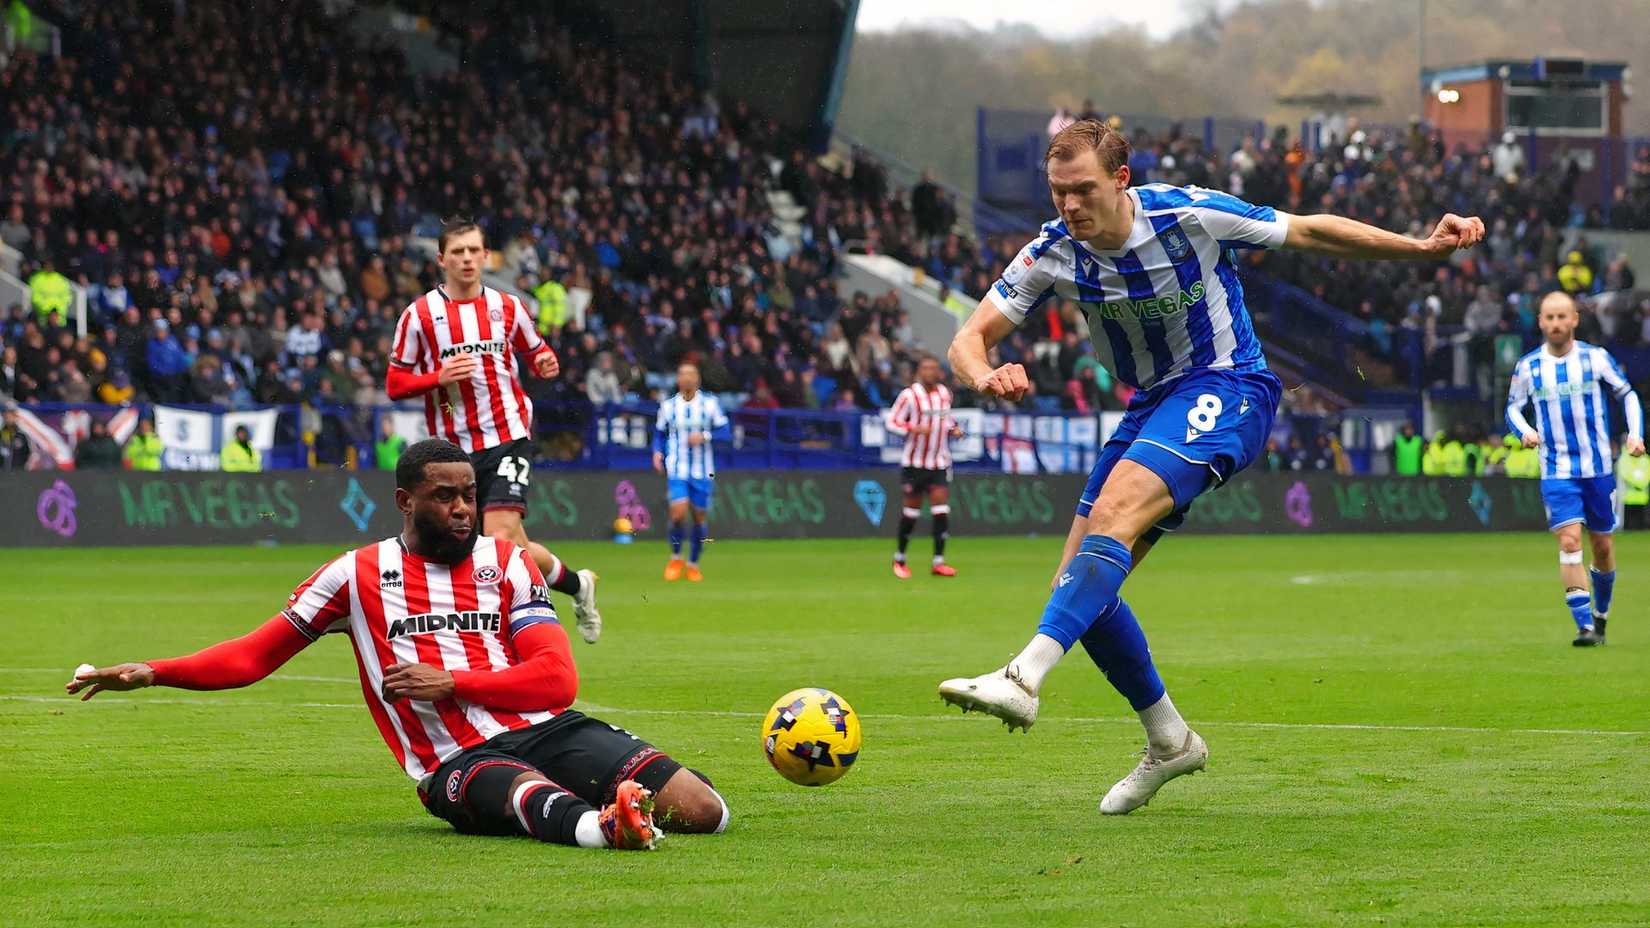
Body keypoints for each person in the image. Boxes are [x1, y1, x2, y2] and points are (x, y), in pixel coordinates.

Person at [936, 118, 1485, 814]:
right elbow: (969, 337)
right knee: (1079, 589)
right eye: (1057, 192)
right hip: (1151, 405)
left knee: (1113, 515)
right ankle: (1169, 740)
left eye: (1082, 190)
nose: (1069, 206)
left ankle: (1023, 676)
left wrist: (1419, 246)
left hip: (1230, 385)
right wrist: (984, 377)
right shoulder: (1051, 252)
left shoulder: (1188, 214)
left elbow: (1309, 230)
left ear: (1121, 180)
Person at [67, 439, 729, 850]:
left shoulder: (510, 563)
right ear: (405, 501)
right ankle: (603, 826)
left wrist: (453, 681)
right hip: (454, 762)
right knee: (529, 795)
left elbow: (557, 682)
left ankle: (618, 804)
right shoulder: (352, 576)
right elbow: (252, 656)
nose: (464, 509)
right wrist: (153, 672)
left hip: (548, 729)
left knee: (708, 811)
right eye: (446, 498)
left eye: (470, 495)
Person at [387, 218, 601, 644]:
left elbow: (538, 351)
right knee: (512, 547)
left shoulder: (508, 307)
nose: (466, 259)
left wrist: (545, 361)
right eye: (458, 252)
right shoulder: (420, 315)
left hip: (508, 436)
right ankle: (577, 585)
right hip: (451, 454)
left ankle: (510, 633)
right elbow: (395, 384)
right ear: (442, 259)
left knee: (498, 535)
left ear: (486, 256)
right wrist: (438, 376)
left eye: (473, 251)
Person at [1505, 292, 1645, 646]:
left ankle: (1601, 615)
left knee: (1602, 546)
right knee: (1569, 541)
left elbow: (1627, 394)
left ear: (1574, 320)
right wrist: (1525, 431)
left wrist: (1635, 434)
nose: (1555, 324)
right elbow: (1513, 409)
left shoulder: (1595, 359)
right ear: (1540, 321)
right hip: (1557, 469)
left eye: (1561, 317)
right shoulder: (1528, 366)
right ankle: (1584, 626)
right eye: (1549, 317)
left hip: (1597, 467)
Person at [885, 354, 963, 579]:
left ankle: (938, 562)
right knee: (912, 511)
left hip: (939, 462)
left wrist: (953, 429)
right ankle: (899, 558)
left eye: (934, 368)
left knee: (941, 510)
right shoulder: (909, 395)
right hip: (915, 463)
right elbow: (891, 421)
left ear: (939, 372)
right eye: (926, 368)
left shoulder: (944, 394)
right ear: (919, 371)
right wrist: (913, 428)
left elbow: (946, 420)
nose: (930, 372)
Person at [652, 361, 730, 582]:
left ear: (697, 379)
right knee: (677, 513)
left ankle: (693, 563)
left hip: (703, 470)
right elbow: (659, 433)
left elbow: (726, 432)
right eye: (682, 374)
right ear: (678, 379)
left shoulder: (710, 404)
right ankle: (676, 557)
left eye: (691, 374)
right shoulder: (668, 406)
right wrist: (657, 453)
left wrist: (704, 436)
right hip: (677, 467)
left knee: (698, 518)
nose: (686, 378)